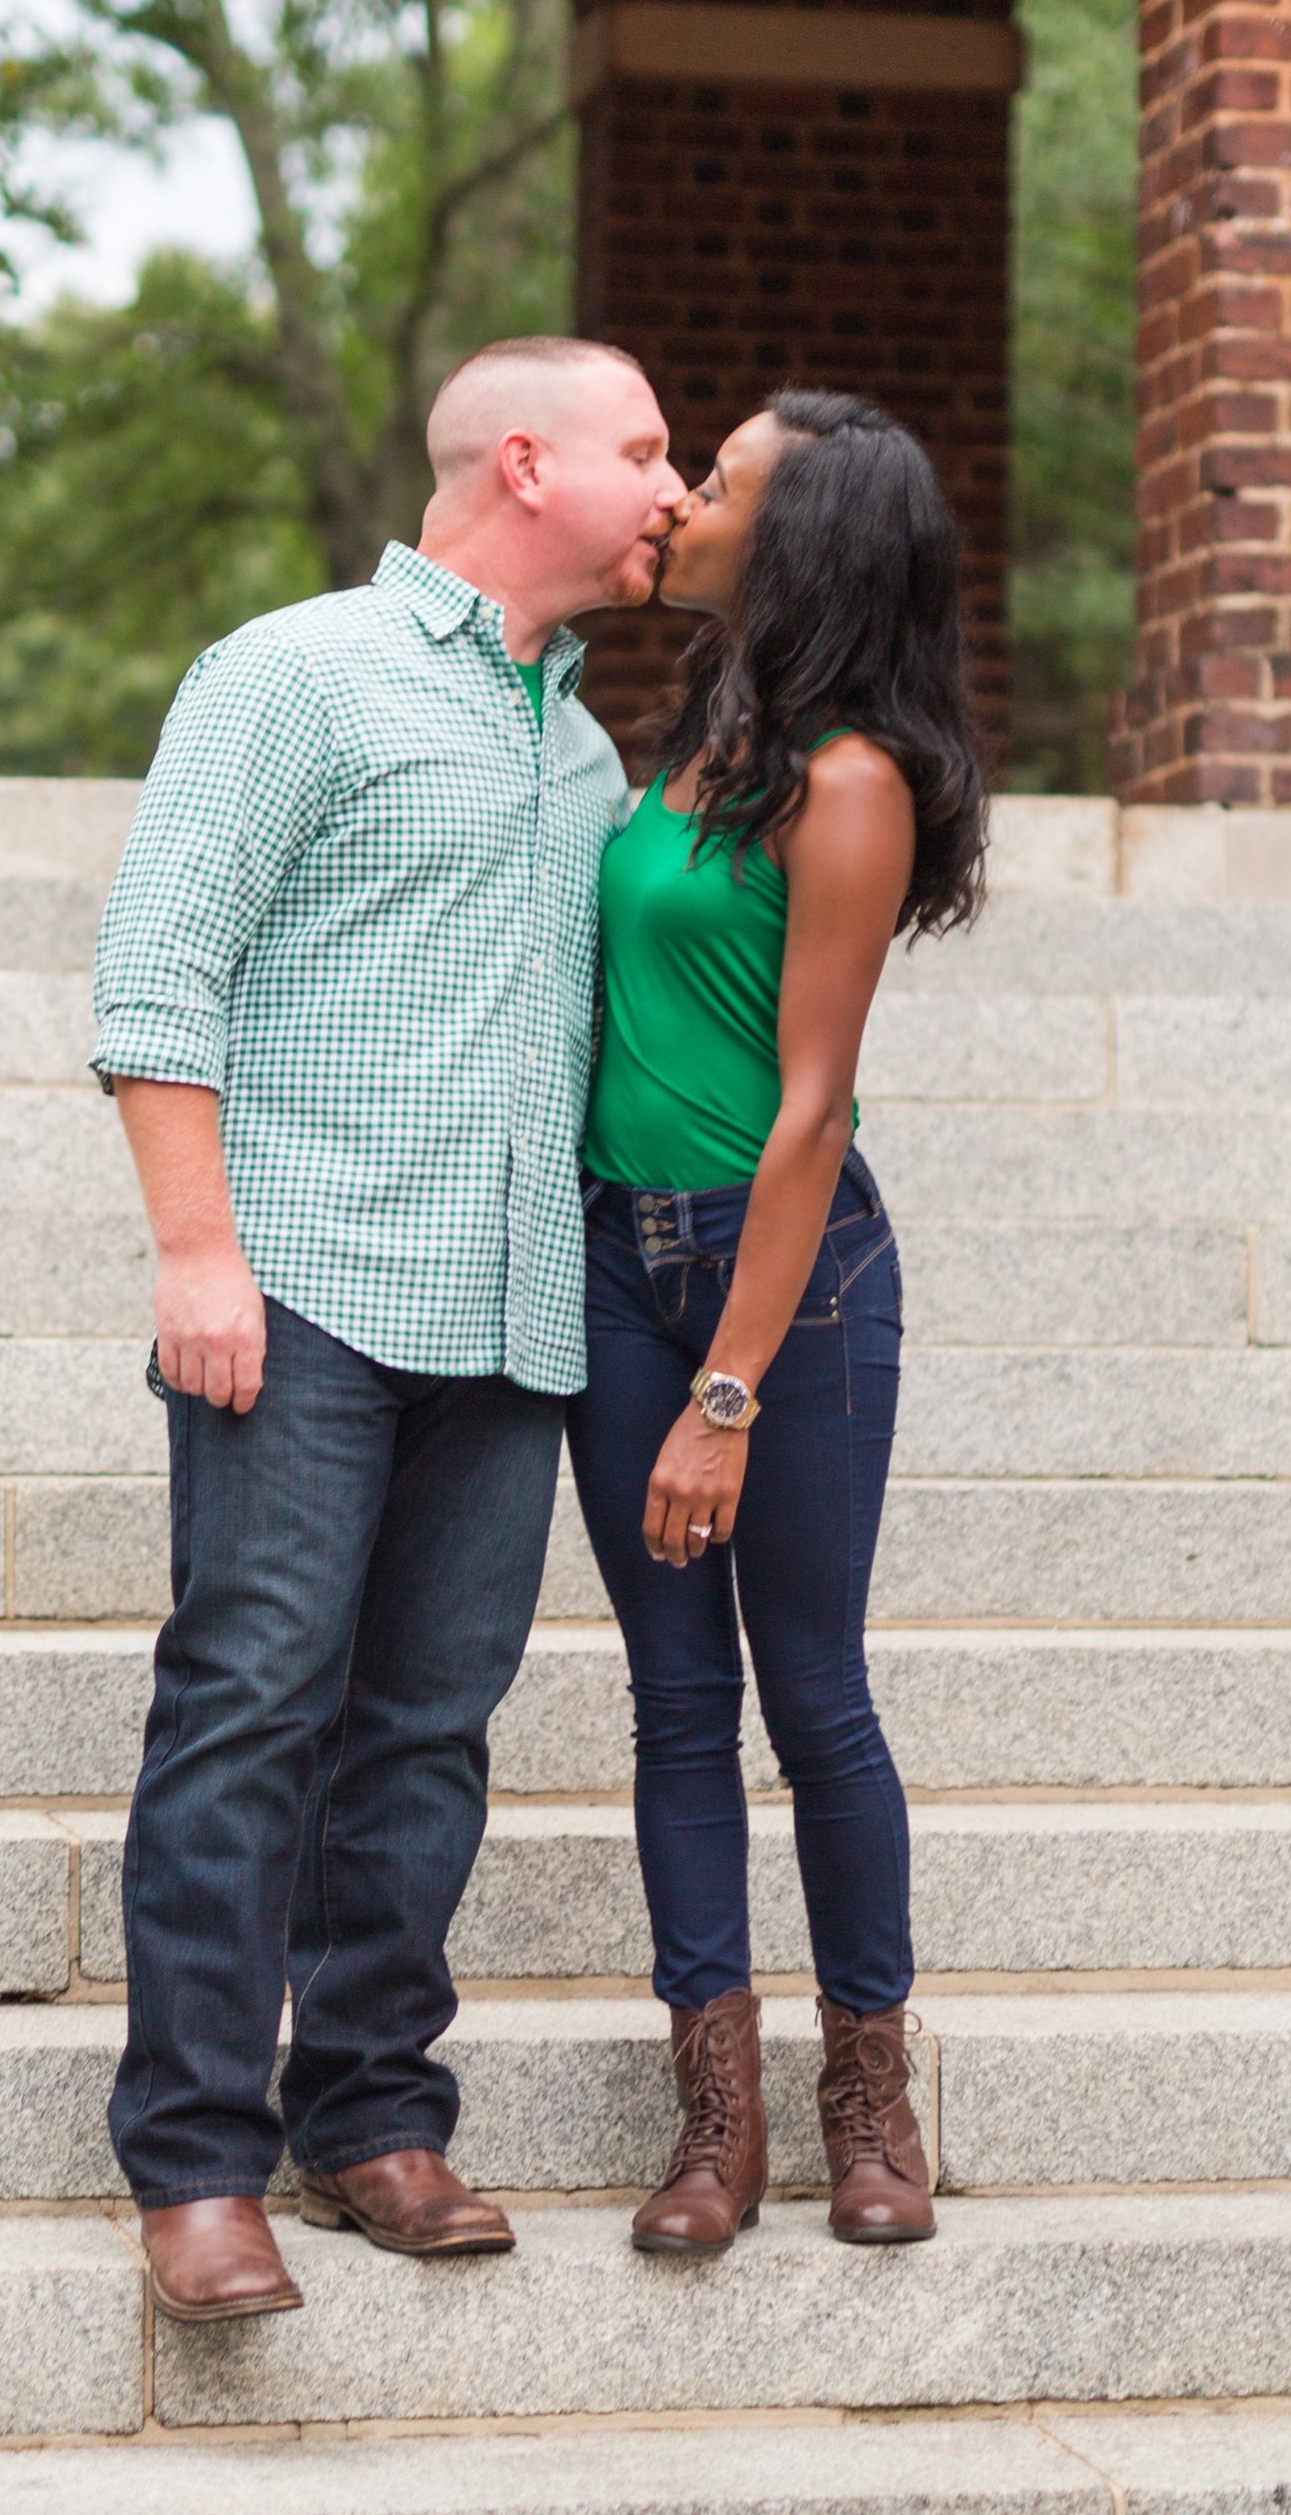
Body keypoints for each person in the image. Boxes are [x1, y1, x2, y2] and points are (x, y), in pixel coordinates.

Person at [91, 335, 685, 2322]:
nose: (673, 488)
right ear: (527, 464)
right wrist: (197, 1261)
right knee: (251, 1704)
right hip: (307, 1293)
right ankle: (192, 2166)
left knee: (425, 1737)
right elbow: (157, 976)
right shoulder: (291, 674)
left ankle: (369, 2115)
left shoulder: (586, 750)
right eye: (646, 451)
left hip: (510, 1322)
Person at [564, 390, 988, 2258]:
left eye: (717, 482)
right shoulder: (692, 745)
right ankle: (714, 2123)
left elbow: (810, 1107)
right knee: (674, 1706)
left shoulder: (853, 779)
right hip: (611, 1261)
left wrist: (726, 1393)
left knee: (811, 1696)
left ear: (801, 534)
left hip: (782, 1278)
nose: (685, 497)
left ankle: (870, 2105)